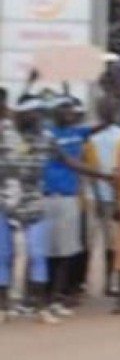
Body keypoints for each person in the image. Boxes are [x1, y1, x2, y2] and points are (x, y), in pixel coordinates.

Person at [41, 95, 112, 316]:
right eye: (64, 109)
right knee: (47, 249)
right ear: (54, 112)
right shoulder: (48, 135)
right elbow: (71, 163)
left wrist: (109, 108)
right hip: (47, 196)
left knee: (67, 249)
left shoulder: (78, 133)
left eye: (71, 109)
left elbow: (101, 126)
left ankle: (58, 295)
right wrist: (104, 175)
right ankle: (45, 294)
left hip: (69, 198)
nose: (69, 113)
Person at [0, 96, 62, 322]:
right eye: (34, 112)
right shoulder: (4, 135)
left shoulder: (46, 137)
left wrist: (103, 176)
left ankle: (41, 308)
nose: (38, 117)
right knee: (3, 255)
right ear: (20, 114)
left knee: (38, 254)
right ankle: (3, 307)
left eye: (40, 113)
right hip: (4, 201)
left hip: (34, 202)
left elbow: (66, 160)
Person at [84, 97, 120, 303]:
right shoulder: (95, 138)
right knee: (97, 242)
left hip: (107, 195)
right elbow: (88, 167)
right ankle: (100, 282)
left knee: (108, 242)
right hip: (99, 196)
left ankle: (107, 282)